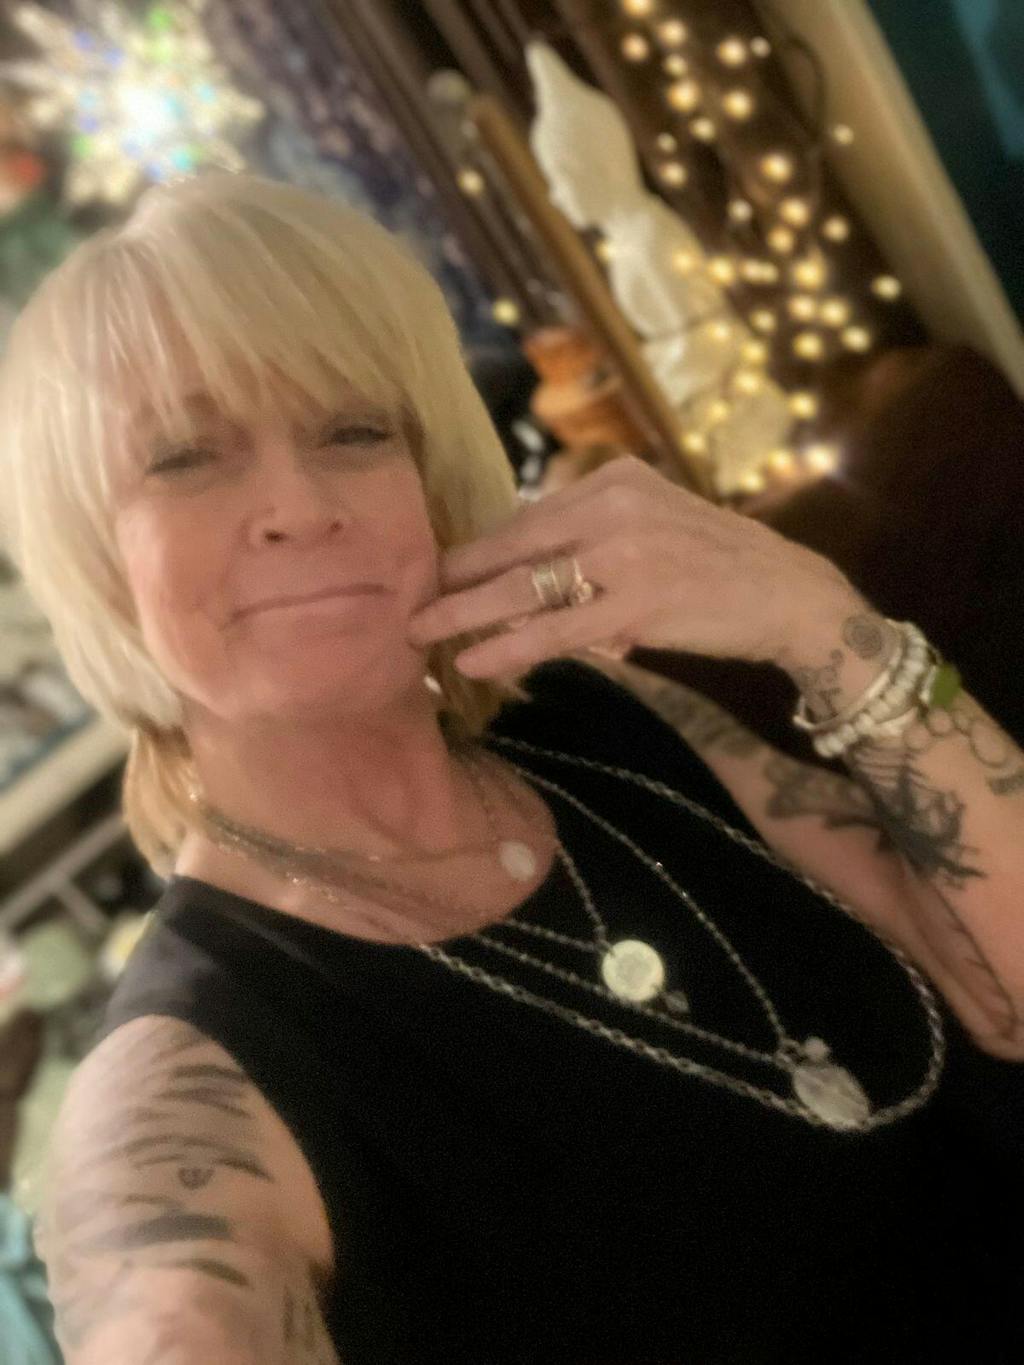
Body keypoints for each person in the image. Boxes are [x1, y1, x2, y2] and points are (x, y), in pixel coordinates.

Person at [0, 172, 1020, 1365]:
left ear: (430, 481)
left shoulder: (602, 717)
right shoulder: (187, 1079)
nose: (299, 504)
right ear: (94, 558)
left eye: (353, 431)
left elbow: (1000, 990)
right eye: (185, 456)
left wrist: (820, 623)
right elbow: (162, 1305)